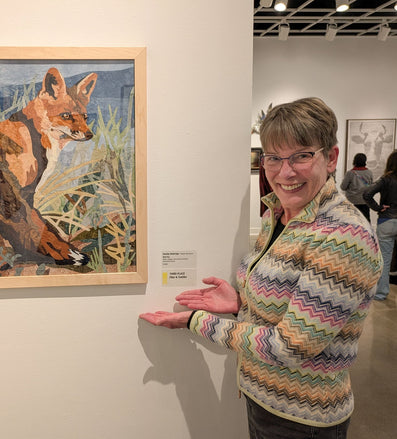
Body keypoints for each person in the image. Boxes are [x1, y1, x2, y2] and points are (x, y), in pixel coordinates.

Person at [140, 97, 382, 439]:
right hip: (263, 400)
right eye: (274, 157)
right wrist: (241, 302)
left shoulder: (343, 237)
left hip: (303, 418)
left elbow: (290, 346)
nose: (285, 172)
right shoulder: (276, 215)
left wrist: (198, 322)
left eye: (301, 155)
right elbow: (290, 302)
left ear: (331, 158)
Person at [363, 150, 397, 301]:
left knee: (385, 259)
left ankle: (381, 293)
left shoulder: (386, 179)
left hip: (387, 222)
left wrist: (378, 208)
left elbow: (367, 194)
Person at [340, 153, 373, 221]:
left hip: (352, 202)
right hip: (365, 201)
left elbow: (343, 187)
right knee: (365, 222)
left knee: (351, 222)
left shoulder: (350, 173)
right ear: (365, 161)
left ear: (354, 161)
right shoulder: (369, 172)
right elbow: (371, 187)